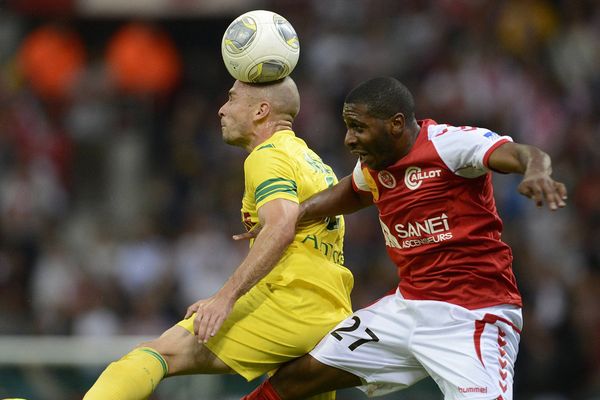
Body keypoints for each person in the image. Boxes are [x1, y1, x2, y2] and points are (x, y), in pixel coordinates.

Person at [241, 77, 568, 400]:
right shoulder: (375, 163)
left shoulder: (448, 144)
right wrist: (291, 216)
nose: (348, 139)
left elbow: (525, 153)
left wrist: (537, 172)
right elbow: (351, 193)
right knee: (300, 375)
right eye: (347, 126)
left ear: (396, 124)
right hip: (406, 309)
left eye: (358, 127)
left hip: (472, 317)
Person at [83, 77, 354, 400]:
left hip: (287, 305)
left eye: (232, 99)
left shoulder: (267, 155)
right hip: (330, 317)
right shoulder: (316, 164)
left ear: (260, 111)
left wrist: (224, 297)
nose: (222, 110)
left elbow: (281, 226)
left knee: (158, 353)